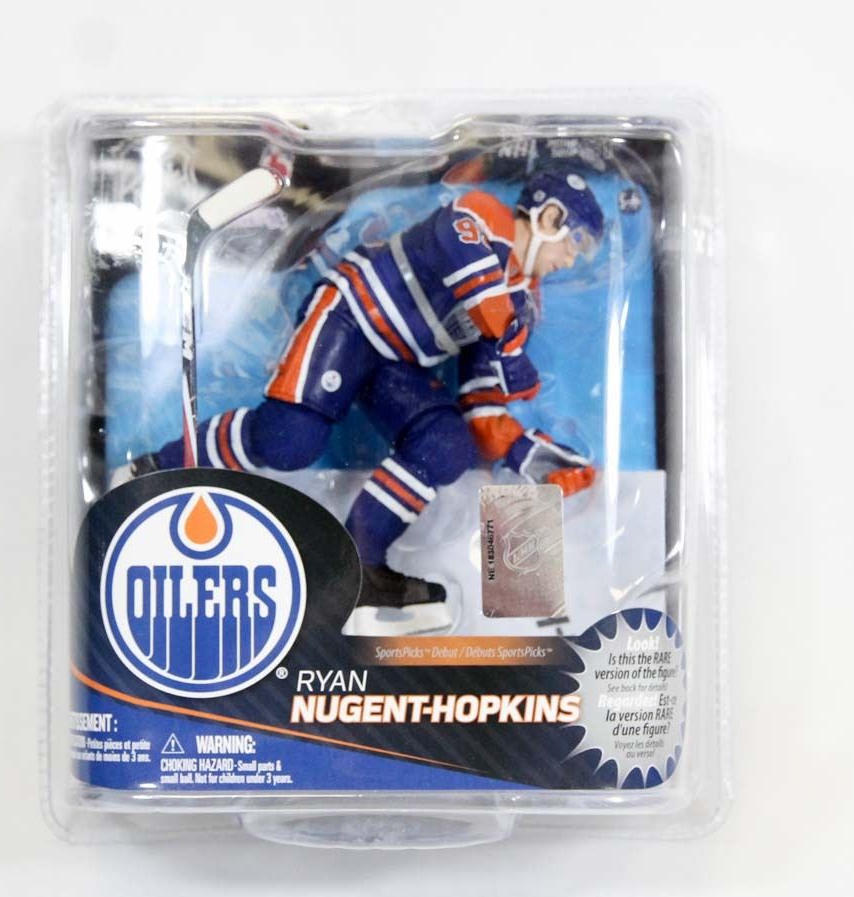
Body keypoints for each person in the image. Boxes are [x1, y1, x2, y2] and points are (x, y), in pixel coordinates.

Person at [119, 170, 604, 626]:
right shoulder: (483, 215)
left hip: (399, 364)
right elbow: (456, 247)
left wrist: (527, 454)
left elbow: (482, 396)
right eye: (575, 243)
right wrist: (505, 330)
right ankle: (158, 468)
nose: (570, 261)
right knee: (289, 441)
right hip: (351, 316)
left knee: (445, 445)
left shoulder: (521, 303)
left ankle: (359, 567)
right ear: (550, 217)